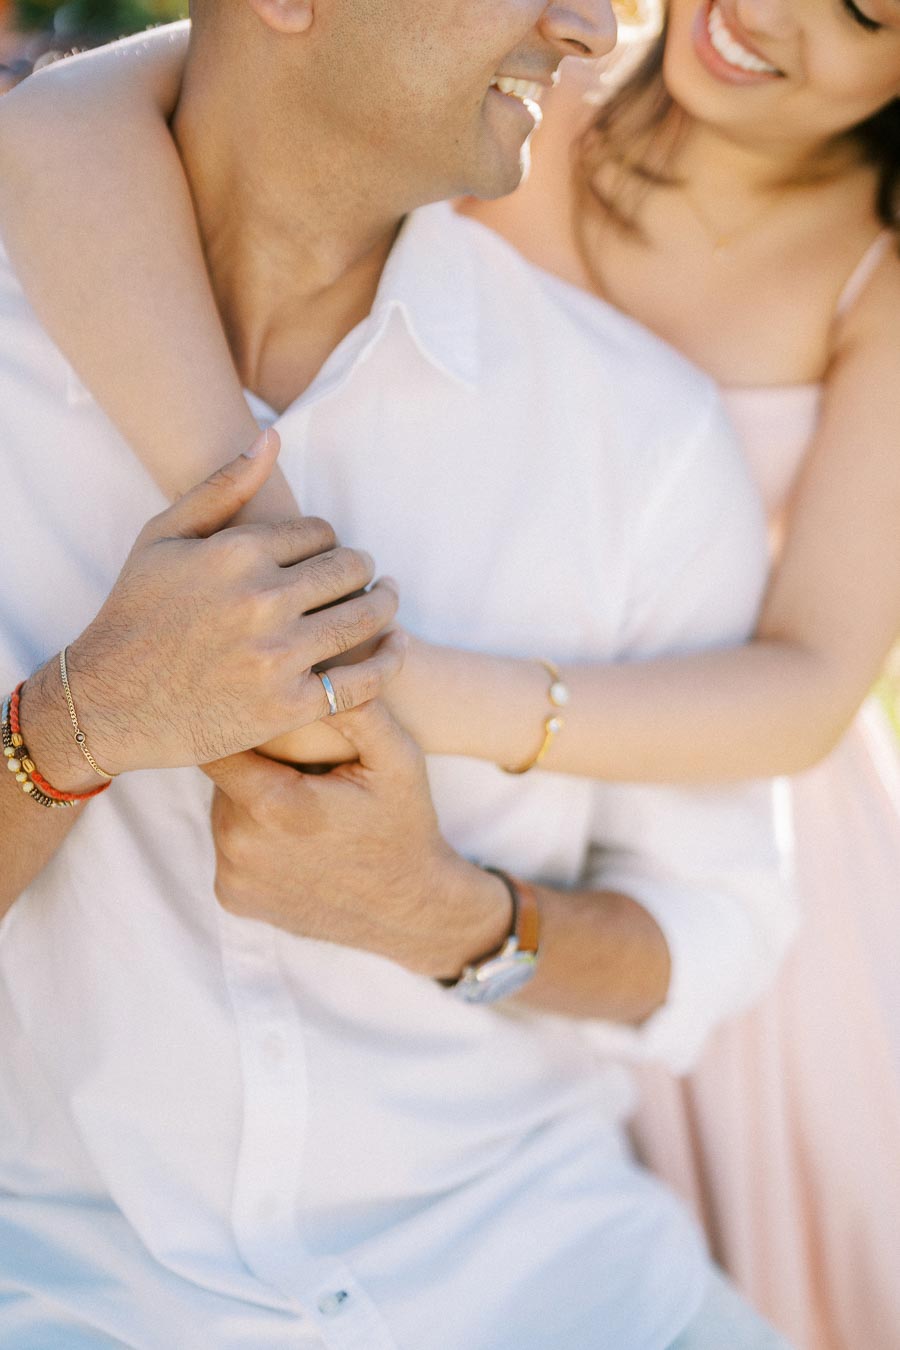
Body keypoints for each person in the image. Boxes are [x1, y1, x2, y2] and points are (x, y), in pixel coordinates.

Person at [0, 0, 896, 1345]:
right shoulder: (66, 218)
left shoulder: (649, 426)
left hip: (549, 1232)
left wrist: (441, 900)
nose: (591, 25)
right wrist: (77, 721)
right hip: (71, 1272)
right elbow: (95, 110)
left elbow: (773, 781)